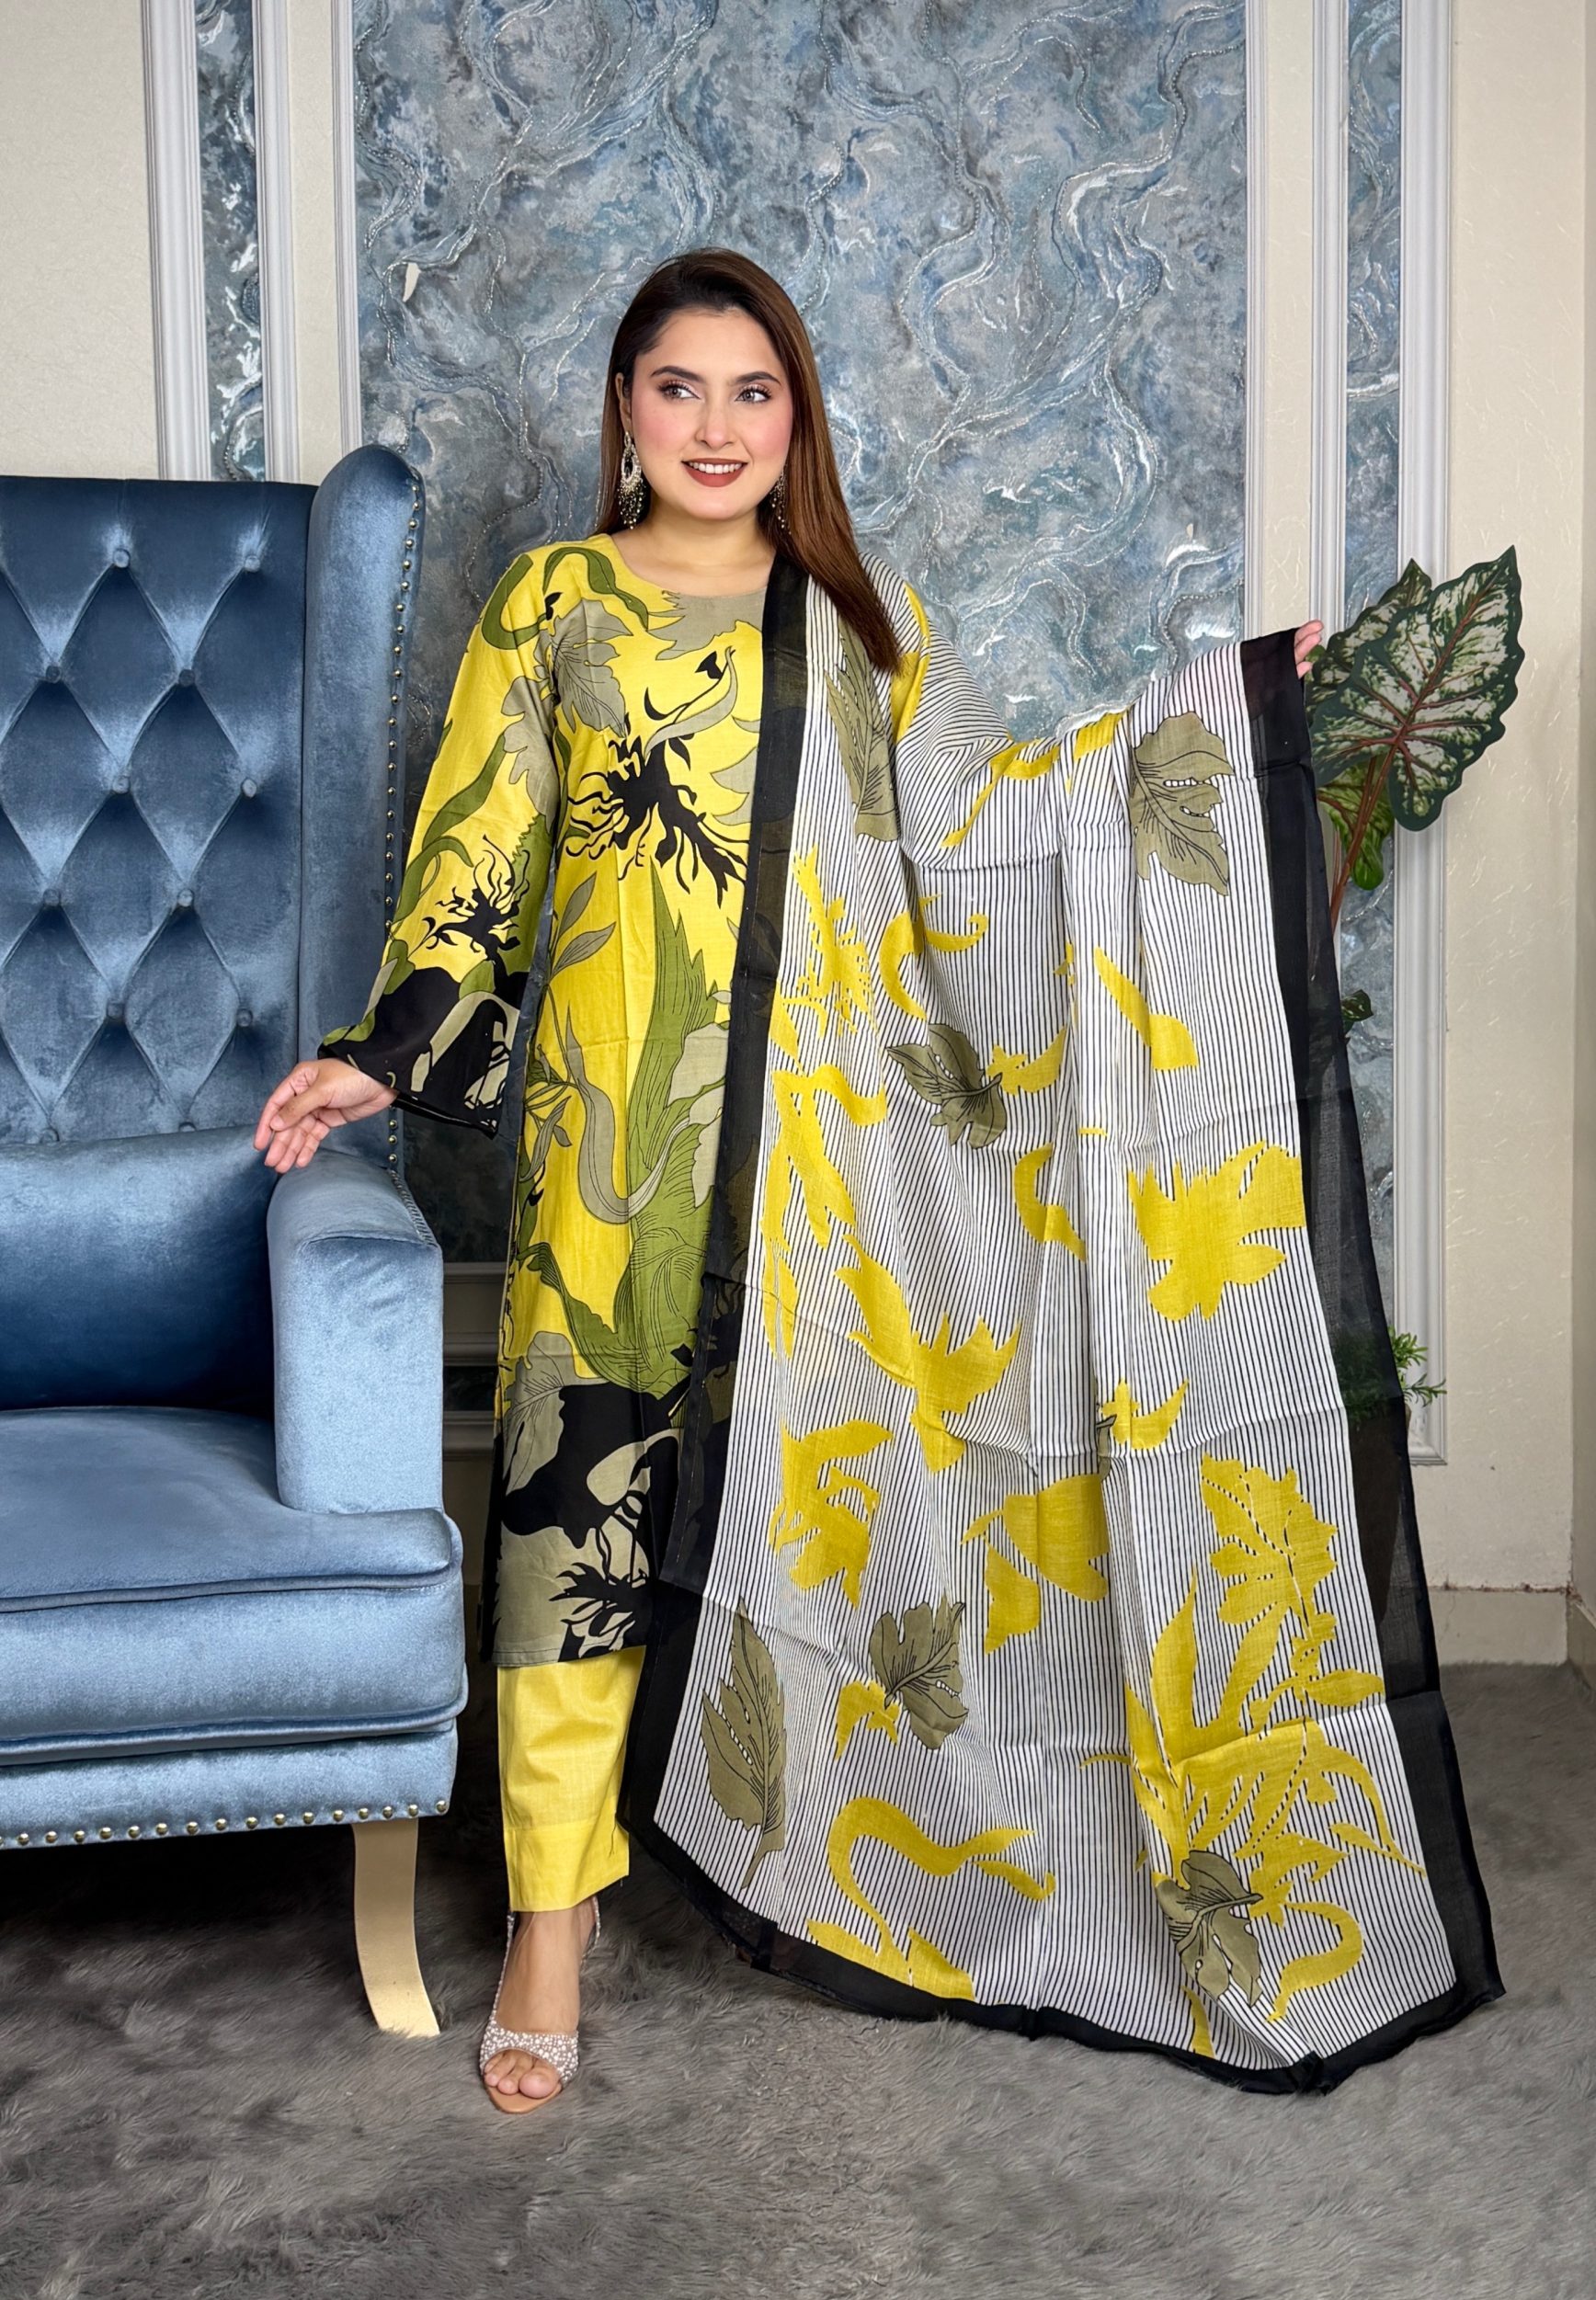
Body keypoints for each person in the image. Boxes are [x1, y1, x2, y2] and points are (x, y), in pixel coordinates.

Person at [256, 247, 1496, 2109]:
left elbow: (993, 828)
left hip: (821, 1170)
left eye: (753, 392)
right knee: (573, 1520)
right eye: (679, 387)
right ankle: (547, 1923)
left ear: (797, 420)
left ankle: (837, 1831)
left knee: (809, 1507)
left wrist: (1224, 720)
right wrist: (388, 1046)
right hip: (612, 1143)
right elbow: (475, 852)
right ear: (624, 408)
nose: (715, 427)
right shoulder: (554, 601)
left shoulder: (853, 617)